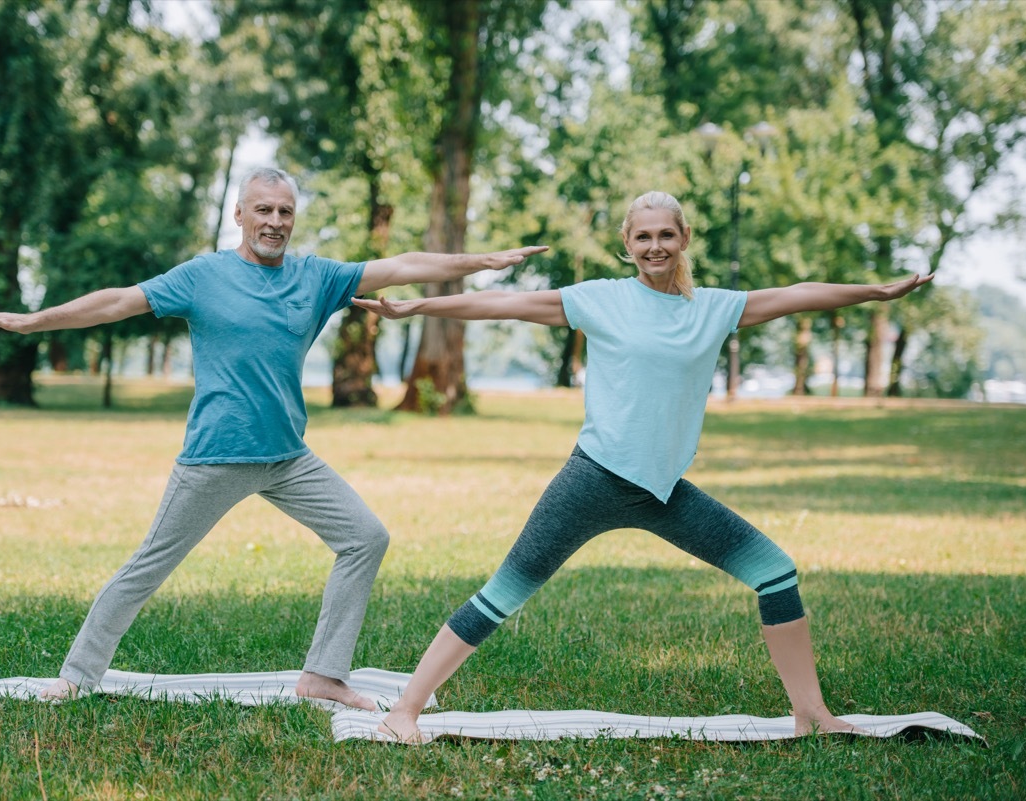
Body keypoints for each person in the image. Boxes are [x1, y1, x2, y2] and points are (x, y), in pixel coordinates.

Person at [353, 190, 933, 740]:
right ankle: (405, 711)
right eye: (643, 236)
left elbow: (798, 294)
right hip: (593, 479)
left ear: (684, 239)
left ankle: (812, 714)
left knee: (774, 571)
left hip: (662, 490)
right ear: (627, 243)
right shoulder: (603, 298)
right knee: (503, 594)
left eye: (666, 235)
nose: (655, 246)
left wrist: (875, 294)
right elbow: (506, 304)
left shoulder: (714, 309)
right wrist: (418, 305)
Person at [0, 167, 546, 709]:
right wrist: (31, 321)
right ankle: (75, 678)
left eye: (285, 211)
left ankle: (323, 676)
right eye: (263, 209)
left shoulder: (316, 277)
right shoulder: (203, 276)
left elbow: (401, 265)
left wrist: (482, 260)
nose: (275, 221)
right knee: (148, 567)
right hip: (215, 457)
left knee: (365, 538)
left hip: (288, 458)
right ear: (240, 216)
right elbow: (118, 302)